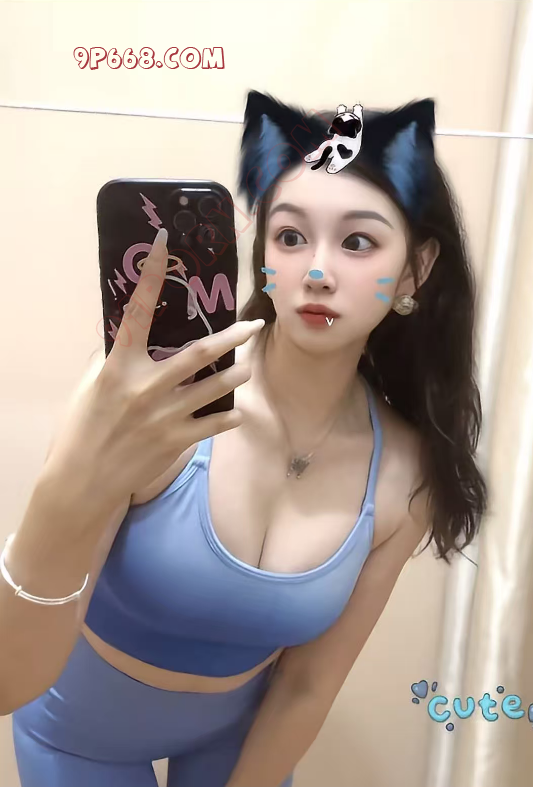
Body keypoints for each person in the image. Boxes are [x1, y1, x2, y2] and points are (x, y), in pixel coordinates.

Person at [1, 90, 487, 787]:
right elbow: (9, 676)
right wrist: (69, 478)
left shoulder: (405, 472)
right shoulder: (159, 399)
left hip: (238, 741)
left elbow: (306, 687)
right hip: (78, 737)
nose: (316, 271)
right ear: (261, 251)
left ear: (415, 268)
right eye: (290, 237)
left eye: (357, 242)